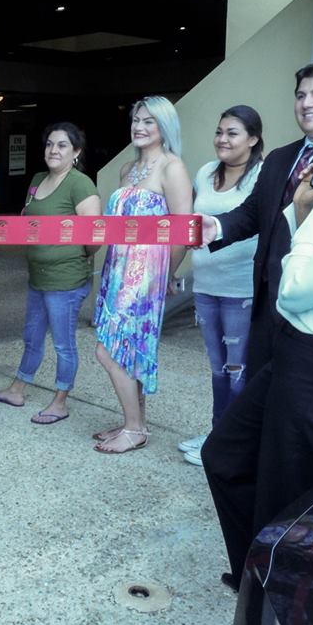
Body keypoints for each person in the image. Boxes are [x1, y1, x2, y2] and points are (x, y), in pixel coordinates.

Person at [202, 161, 313, 611]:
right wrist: (301, 210)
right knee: (225, 455)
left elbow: (295, 288)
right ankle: (259, 575)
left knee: (292, 501)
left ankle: (282, 602)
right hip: (295, 351)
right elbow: (309, 267)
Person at [199, 60, 313, 379]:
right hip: (267, 307)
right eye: (300, 95)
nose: (306, 103)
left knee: (301, 417)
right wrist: (216, 226)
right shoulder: (281, 157)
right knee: (259, 401)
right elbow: (253, 213)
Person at [92, 96, 192, 454]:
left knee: (109, 351)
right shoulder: (126, 170)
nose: (139, 126)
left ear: (164, 127)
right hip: (116, 269)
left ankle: (135, 429)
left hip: (145, 275)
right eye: (136, 119)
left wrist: (167, 275)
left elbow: (181, 229)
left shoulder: (172, 167)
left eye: (149, 121)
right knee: (125, 350)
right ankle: (133, 421)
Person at [0, 122, 100, 424]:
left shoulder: (80, 184)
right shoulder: (36, 179)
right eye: (49, 144)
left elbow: (95, 237)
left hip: (66, 280)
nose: (53, 150)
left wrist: (76, 259)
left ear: (76, 152)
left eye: (62, 145)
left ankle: (60, 401)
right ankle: (17, 389)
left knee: (63, 343)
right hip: (37, 275)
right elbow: (28, 220)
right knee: (32, 336)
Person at [177, 106, 263, 467]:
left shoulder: (262, 174)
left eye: (232, 133)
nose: (222, 139)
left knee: (237, 370)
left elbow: (251, 222)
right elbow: (193, 225)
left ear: (253, 139)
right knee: (217, 368)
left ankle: (234, 444)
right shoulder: (205, 172)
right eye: (219, 132)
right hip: (206, 285)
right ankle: (217, 434)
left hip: (240, 288)